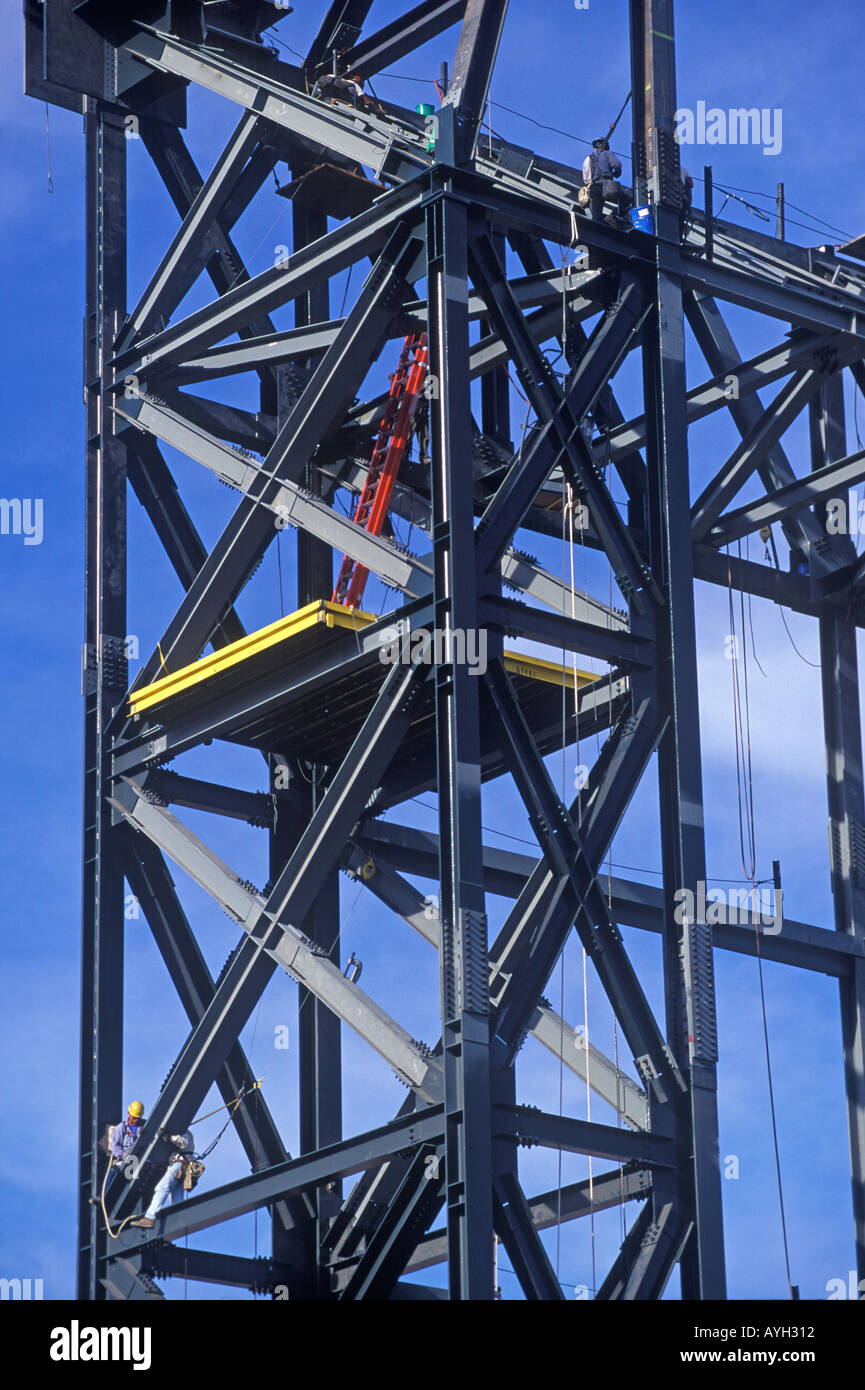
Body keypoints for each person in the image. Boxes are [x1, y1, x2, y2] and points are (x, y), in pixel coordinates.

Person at [129, 1130, 195, 1229]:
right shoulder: (179, 1133)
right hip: (178, 1166)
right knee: (176, 1197)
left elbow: (183, 1143)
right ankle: (180, 1218)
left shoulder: (185, 1132)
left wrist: (169, 1136)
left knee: (162, 1188)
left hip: (180, 1164)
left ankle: (149, 1218)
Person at [582, 137, 631, 225]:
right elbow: (616, 165)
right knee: (627, 201)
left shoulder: (587, 159)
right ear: (607, 146)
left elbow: (586, 179)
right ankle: (612, 216)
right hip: (606, 186)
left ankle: (598, 230)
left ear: (594, 147)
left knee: (596, 217)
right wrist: (617, 172)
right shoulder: (607, 154)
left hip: (593, 189)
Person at [109, 1100, 145, 1166]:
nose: (136, 1120)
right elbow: (115, 1147)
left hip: (142, 1158)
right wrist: (125, 1155)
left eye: (138, 1118)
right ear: (129, 1114)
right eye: (134, 1118)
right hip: (126, 1162)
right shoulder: (121, 1128)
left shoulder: (145, 1126)